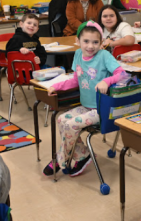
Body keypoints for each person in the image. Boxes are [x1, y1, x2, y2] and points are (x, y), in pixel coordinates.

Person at [43, 21, 128, 177]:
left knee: (70, 125)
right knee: (61, 119)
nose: (90, 46)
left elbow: (122, 74)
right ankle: (83, 155)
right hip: (87, 106)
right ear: (78, 41)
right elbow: (76, 80)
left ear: (101, 43)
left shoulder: (104, 55)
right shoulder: (77, 54)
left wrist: (106, 81)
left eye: (95, 42)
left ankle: (60, 159)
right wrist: (57, 86)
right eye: (86, 41)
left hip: (103, 109)